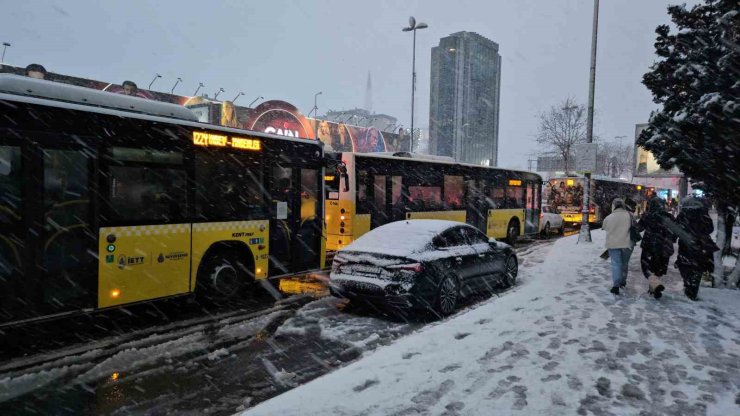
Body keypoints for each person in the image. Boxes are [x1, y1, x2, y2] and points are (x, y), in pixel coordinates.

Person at [674, 197, 719, 300]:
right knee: (697, 268)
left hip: (686, 244)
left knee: (684, 264)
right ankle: (692, 289)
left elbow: (676, 229)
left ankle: (688, 284)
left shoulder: (683, 215)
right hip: (700, 246)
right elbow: (710, 229)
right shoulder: (703, 214)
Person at [635, 197, 676, 299]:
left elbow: (638, 228)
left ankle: (654, 286)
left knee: (647, 268)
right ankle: (653, 288)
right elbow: (675, 232)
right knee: (659, 268)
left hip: (649, 246)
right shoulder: (669, 217)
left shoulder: (648, 216)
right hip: (665, 248)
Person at [602, 198, 633, 295]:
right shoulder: (630, 215)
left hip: (613, 244)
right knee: (624, 263)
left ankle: (616, 285)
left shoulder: (609, 217)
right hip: (627, 244)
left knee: (616, 264)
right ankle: (623, 282)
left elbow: (604, 227)